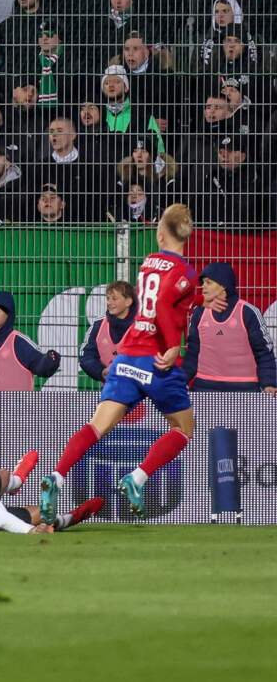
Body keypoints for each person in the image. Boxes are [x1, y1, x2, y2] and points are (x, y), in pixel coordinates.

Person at [40, 203, 208, 520]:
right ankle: (137, 477)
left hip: (127, 355)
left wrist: (201, 298)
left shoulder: (148, 263)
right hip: (157, 360)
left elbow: (167, 297)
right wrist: (173, 345)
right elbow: (163, 302)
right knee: (183, 429)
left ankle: (57, 476)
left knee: (96, 426)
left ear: (160, 234)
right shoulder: (185, 270)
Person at [183, 262, 277, 394]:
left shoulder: (248, 312)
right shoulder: (199, 313)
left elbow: (264, 352)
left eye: (208, 282)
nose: (203, 286)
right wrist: (181, 382)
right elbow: (192, 354)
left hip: (245, 390)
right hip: (204, 388)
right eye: (203, 282)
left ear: (223, 285)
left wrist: (269, 383)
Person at [80, 280, 138, 384]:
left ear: (128, 301)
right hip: (111, 387)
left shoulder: (142, 325)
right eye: (108, 298)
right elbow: (86, 356)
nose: (109, 302)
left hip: (142, 389)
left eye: (114, 299)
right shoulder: (99, 324)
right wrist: (101, 372)